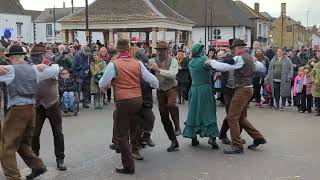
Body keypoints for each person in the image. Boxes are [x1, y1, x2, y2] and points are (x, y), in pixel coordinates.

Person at [99, 38, 158, 174]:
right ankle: (136, 147)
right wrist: (155, 86)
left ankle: (128, 165)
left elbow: (102, 83)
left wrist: (106, 85)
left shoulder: (114, 64)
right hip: (138, 99)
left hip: (123, 100)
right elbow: (153, 80)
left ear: (118, 50)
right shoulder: (137, 63)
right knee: (134, 124)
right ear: (129, 49)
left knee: (121, 134)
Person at [0, 44, 59, 179]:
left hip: (17, 111)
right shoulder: (34, 69)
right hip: (31, 110)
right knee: (22, 143)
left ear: (11, 57)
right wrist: (52, 65)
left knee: (6, 146)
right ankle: (38, 166)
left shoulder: (10, 70)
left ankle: (13, 177)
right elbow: (54, 71)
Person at [206, 39, 267, 154]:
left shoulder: (239, 58)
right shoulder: (249, 57)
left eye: (233, 49)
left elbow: (224, 67)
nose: (233, 51)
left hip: (242, 89)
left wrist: (211, 62)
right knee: (240, 117)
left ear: (237, 48)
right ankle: (258, 137)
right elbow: (261, 69)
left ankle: (237, 145)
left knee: (232, 117)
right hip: (247, 88)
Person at [29, 44, 67, 172]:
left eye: (37, 56)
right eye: (32, 56)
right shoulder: (31, 68)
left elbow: (55, 70)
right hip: (38, 105)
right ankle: (35, 161)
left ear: (43, 55)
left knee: (57, 132)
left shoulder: (53, 67)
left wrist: (43, 65)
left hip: (52, 104)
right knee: (34, 134)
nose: (34, 58)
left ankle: (60, 159)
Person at [182, 43, 220, 148]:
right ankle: (212, 138)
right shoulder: (204, 61)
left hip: (194, 89)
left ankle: (193, 137)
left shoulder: (191, 62)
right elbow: (216, 66)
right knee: (209, 112)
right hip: (205, 89)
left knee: (194, 112)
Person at [149, 41, 181, 152]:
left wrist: (158, 70)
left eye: (162, 50)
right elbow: (144, 66)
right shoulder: (153, 60)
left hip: (171, 87)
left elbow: (173, 74)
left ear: (167, 51)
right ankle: (173, 141)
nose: (160, 52)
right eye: (158, 50)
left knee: (171, 104)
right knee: (164, 116)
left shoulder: (173, 60)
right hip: (160, 90)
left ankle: (177, 126)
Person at [129, 48, 156, 160]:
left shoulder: (147, 69)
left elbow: (153, 82)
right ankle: (133, 149)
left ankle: (146, 136)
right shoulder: (131, 68)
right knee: (135, 126)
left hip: (146, 100)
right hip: (134, 100)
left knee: (150, 118)